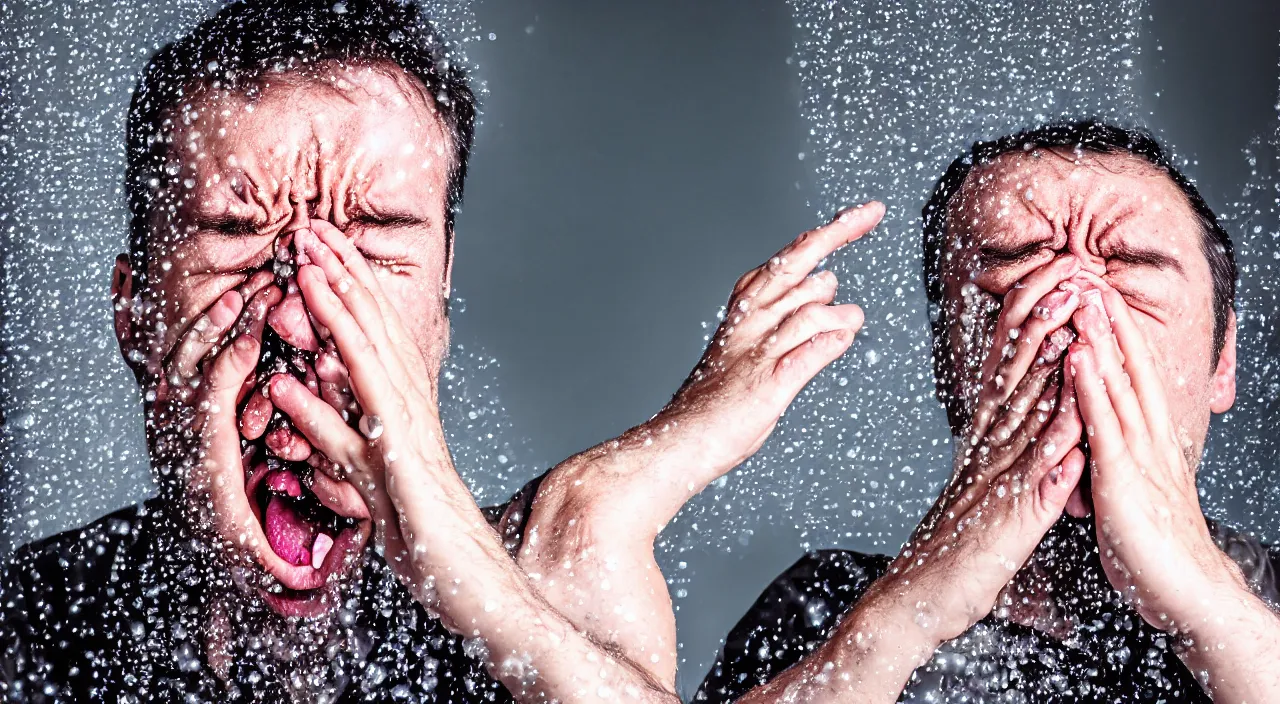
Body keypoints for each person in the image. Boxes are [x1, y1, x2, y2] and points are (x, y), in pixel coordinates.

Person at [0, 1, 874, 701]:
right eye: (235, 234)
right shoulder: (27, 618)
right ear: (135, 313)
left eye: (374, 244)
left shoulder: (556, 565)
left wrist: (494, 582)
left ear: (443, 301)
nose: (306, 320)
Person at [683, 121, 1280, 702]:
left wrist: (1215, 611)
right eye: (1014, 290)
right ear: (949, 367)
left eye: (1131, 284)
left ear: (1220, 362)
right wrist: (898, 621)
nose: (1075, 326)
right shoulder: (828, 611)